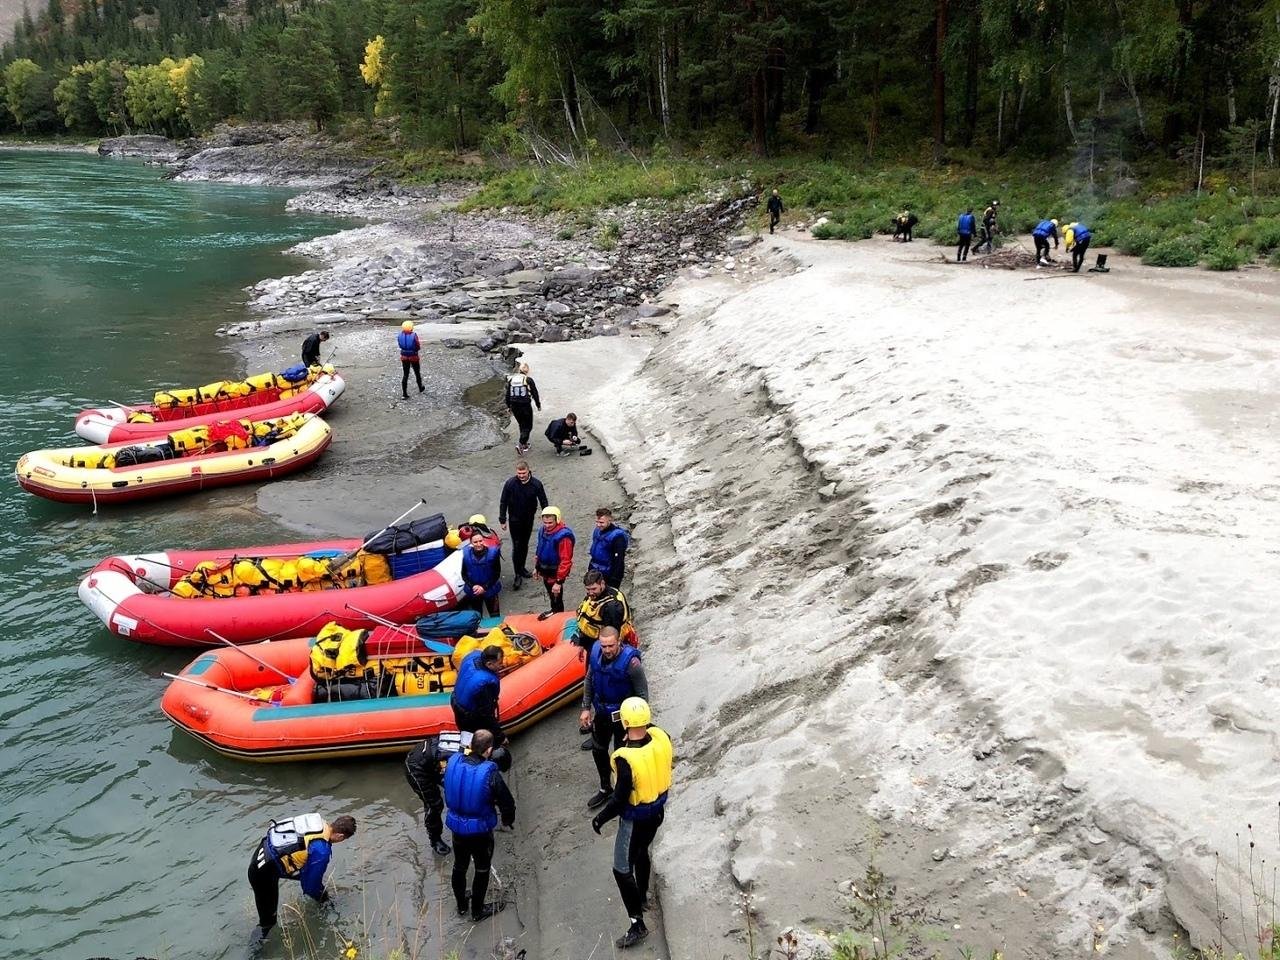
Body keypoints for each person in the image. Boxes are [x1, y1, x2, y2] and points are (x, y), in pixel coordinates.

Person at [590, 697, 673, 950]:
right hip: (657, 813)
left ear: (625, 723)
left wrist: (600, 818)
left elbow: (618, 799)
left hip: (634, 820)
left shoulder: (626, 760)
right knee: (641, 852)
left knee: (621, 868)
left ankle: (637, 924)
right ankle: (644, 895)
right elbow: (650, 730)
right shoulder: (660, 737)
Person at [247, 812, 356, 944]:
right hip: (263, 874)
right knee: (268, 923)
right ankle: (254, 951)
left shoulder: (319, 823)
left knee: (316, 884)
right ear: (340, 836)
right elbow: (309, 888)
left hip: (261, 853)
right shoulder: (322, 850)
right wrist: (324, 901)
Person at [443, 729, 516, 921]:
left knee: (459, 865)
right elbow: (506, 802)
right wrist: (508, 820)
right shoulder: (490, 773)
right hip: (480, 832)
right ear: (489, 750)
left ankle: (461, 906)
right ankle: (477, 911)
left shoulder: (454, 762)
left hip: (456, 828)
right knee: (482, 869)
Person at [406, 732, 512, 858]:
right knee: (435, 804)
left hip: (437, 760)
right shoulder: (463, 759)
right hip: (418, 766)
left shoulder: (479, 744)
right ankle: (434, 839)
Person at [583, 627, 649, 810]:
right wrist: (586, 708)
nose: (607, 650)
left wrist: (637, 728)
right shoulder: (596, 652)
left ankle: (623, 793)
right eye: (604, 646)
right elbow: (589, 679)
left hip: (624, 718)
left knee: (622, 757)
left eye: (611, 645)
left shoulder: (632, 663)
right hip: (602, 713)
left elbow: (643, 695)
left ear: (619, 642)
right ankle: (606, 788)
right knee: (598, 750)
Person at [498, 460, 548, 591]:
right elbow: (503, 501)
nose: (521, 476)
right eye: (519, 473)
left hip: (528, 519)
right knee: (517, 545)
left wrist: (547, 517)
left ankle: (522, 568)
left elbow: (543, 501)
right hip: (514, 519)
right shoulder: (510, 484)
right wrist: (502, 519)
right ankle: (517, 574)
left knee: (524, 544)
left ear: (528, 471)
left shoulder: (536, 484)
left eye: (523, 473)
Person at [451, 645, 505, 742]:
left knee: (466, 737)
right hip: (469, 716)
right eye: (500, 663)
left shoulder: (472, 658)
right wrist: (500, 736)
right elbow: (486, 714)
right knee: (478, 740)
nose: (502, 664)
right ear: (489, 664)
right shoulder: (484, 686)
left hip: (456, 701)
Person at [577, 571, 636, 653]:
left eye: (594, 589)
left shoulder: (611, 607)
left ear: (602, 583)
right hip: (590, 638)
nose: (590, 593)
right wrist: (581, 643)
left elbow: (612, 636)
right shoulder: (595, 595)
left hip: (604, 644)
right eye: (588, 589)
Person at [534, 506, 575, 613]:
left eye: (550, 523)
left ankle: (558, 615)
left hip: (555, 575)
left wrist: (559, 582)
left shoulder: (563, 537)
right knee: (552, 598)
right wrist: (537, 567)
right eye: (545, 522)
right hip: (546, 572)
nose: (547, 526)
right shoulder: (543, 530)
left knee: (557, 600)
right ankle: (555, 611)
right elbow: (540, 549)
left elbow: (566, 561)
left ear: (557, 520)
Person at [461, 531, 502, 616]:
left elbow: (496, 573)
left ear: (484, 540)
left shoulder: (493, 553)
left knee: (495, 616)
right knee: (477, 617)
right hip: (474, 591)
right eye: (475, 542)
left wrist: (484, 587)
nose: (478, 544)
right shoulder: (466, 554)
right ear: (471, 543)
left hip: (490, 589)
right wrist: (473, 586)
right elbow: (464, 574)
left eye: (480, 541)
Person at [505, 362, 541, 455]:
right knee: (528, 426)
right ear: (527, 370)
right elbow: (535, 393)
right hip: (525, 406)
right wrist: (538, 404)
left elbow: (508, 394)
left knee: (521, 424)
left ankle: (524, 444)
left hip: (514, 406)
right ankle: (520, 444)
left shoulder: (511, 380)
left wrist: (508, 406)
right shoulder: (528, 380)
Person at [589, 507, 630, 588]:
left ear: (610, 520)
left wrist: (615, 580)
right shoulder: (597, 531)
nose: (598, 525)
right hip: (595, 570)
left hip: (609, 574)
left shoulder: (618, 537)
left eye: (601, 522)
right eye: (597, 522)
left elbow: (619, 561)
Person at [397, 320, 424, 398]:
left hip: (404, 356)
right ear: (411, 327)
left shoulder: (399, 335)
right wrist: (416, 350)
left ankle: (404, 394)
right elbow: (417, 345)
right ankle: (420, 388)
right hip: (413, 356)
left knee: (405, 374)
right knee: (417, 373)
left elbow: (399, 344)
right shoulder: (414, 335)